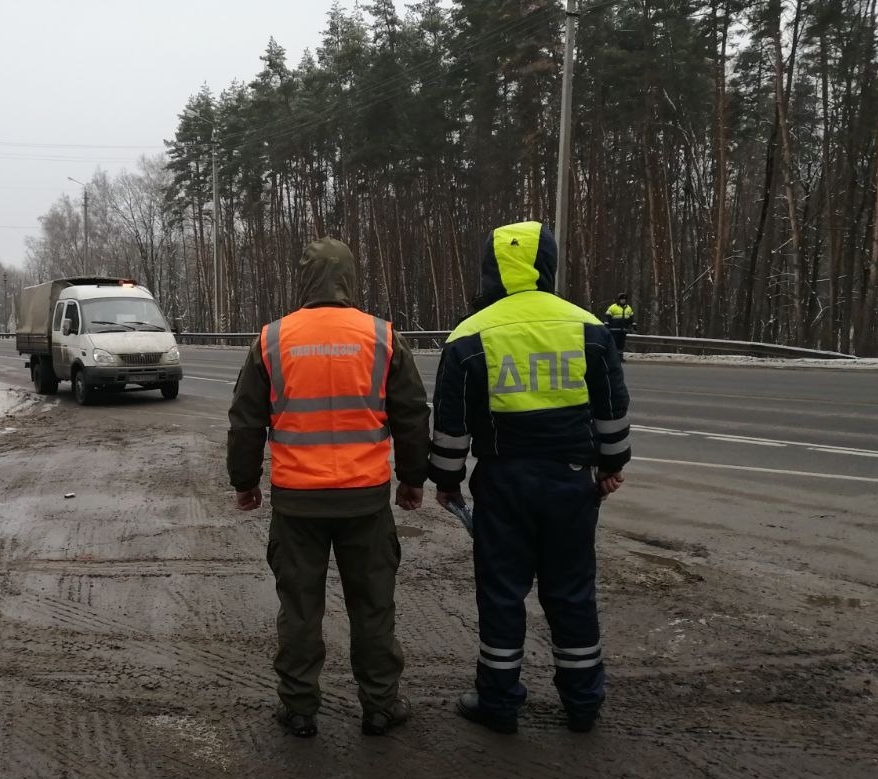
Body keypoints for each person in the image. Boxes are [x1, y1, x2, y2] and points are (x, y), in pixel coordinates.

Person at [429, 221, 631, 734]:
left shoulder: (469, 336)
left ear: (491, 269)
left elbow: (451, 426)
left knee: (501, 593)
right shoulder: (588, 328)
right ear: (548, 264)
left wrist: (447, 481)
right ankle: (583, 702)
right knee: (572, 591)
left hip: (504, 483)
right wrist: (610, 467)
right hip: (570, 481)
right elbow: (611, 411)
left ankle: (498, 702)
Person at [228, 237, 431, 738]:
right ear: (349, 278)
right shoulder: (382, 337)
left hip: (298, 504)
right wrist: (412, 479)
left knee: (299, 609)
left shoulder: (272, 340)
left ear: (304, 279)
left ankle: (299, 708)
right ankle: (380, 705)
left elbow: (246, 420)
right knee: (373, 605)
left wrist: (245, 482)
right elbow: (411, 415)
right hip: (365, 501)